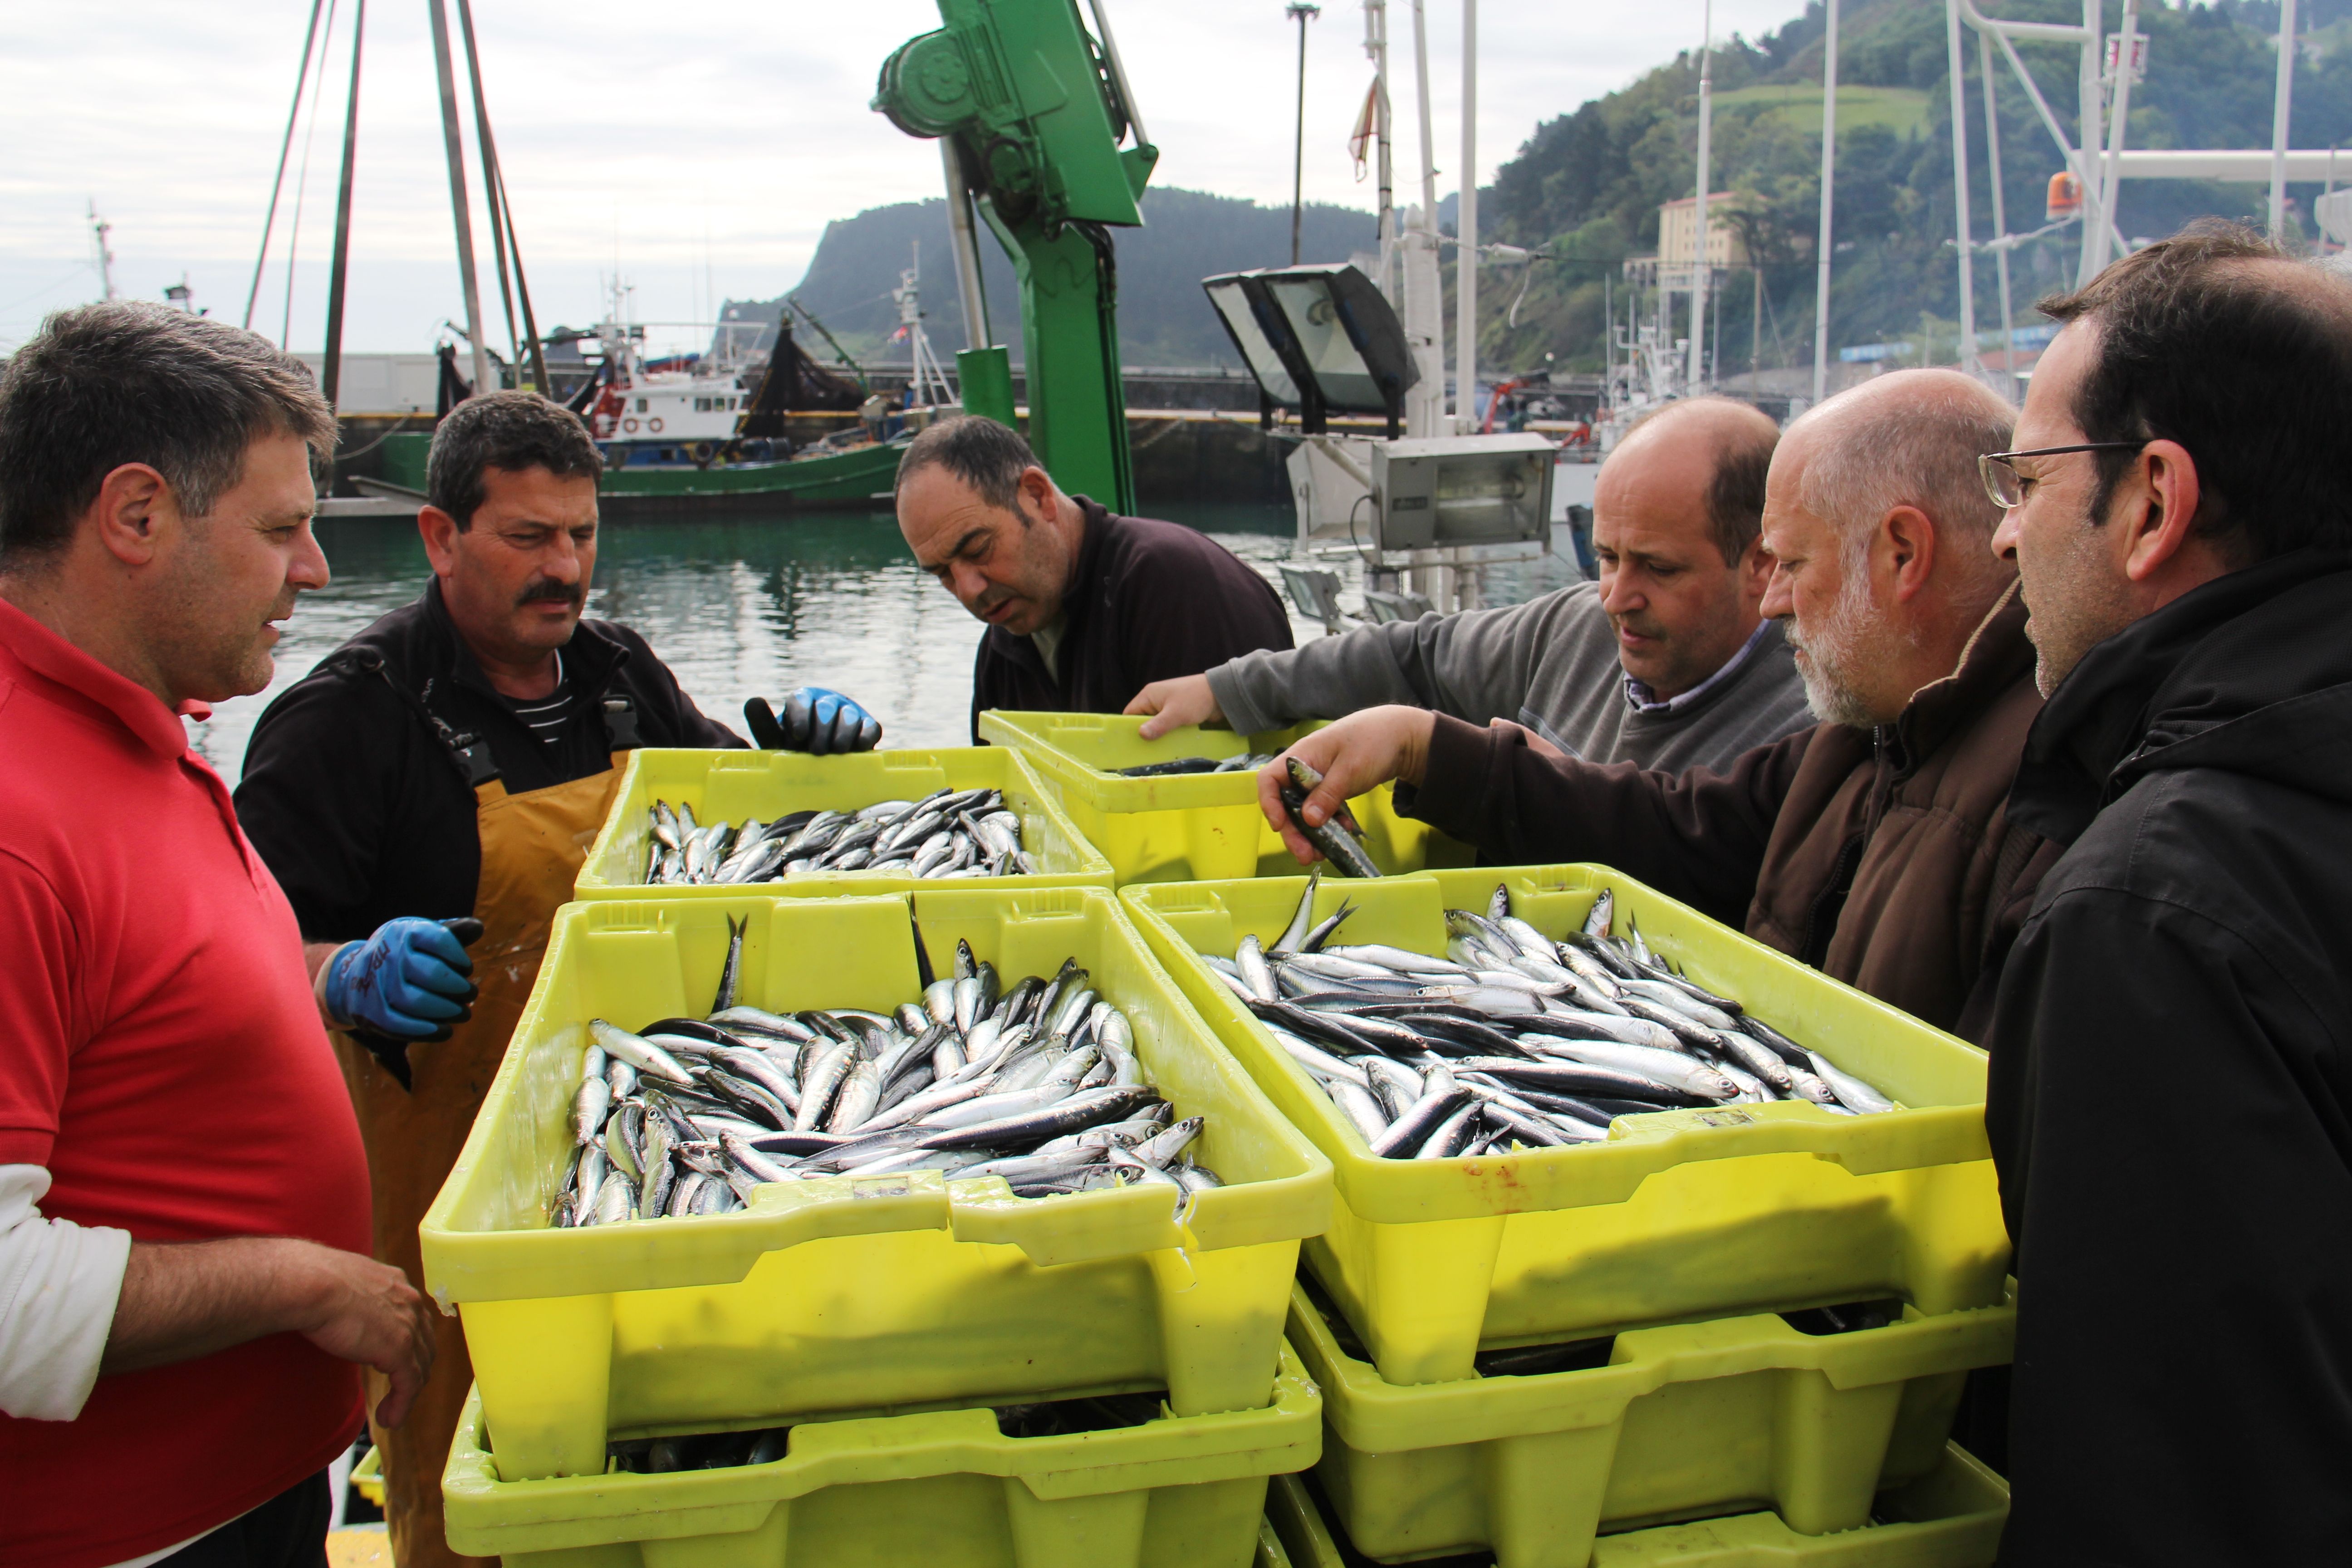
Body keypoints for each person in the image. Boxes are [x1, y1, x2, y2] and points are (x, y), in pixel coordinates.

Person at [230, 392, 862, 1568]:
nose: (564, 568)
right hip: (452, 1201)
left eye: (581, 535)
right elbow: (238, 952)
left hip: (661, 1143)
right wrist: (338, 974)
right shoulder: (343, 723)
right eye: (528, 537)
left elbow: (729, 838)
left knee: (660, 1455)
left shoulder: (622, 675)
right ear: (439, 536)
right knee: (467, 1475)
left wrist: (796, 770)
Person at [0, 303, 436, 1568]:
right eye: (283, 529)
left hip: (255, 1492)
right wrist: (310, 1284)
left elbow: (147, 1003)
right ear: (135, 516)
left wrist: (328, 974)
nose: (316, 571)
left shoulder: (140, 729)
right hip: (133, 1537)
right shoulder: (19, 823)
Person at [1259, 369, 2046, 1040]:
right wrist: (1424, 747)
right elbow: (1680, 829)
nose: (1770, 601)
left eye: (1792, 563)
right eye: (1605, 558)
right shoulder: (1871, 734)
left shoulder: (2045, 806)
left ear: (1901, 553)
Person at [1980, 225, 2352, 1562]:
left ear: (2154, 501)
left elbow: (2171, 1486)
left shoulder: (2156, 915)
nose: (2006, 532)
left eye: (2023, 480)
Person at [1126, 396, 1813, 774]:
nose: (1616, 596)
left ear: (1761, 563)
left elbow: (1681, 849)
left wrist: (1457, 759)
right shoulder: (1572, 629)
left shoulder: (1804, 731)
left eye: (1658, 568)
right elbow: (1413, 655)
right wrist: (1228, 690)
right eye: (1606, 557)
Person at [893, 415, 1295, 735]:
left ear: (1037, 495)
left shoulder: (1179, 587)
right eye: (943, 574)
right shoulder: (1002, 647)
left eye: (979, 549)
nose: (968, 590)